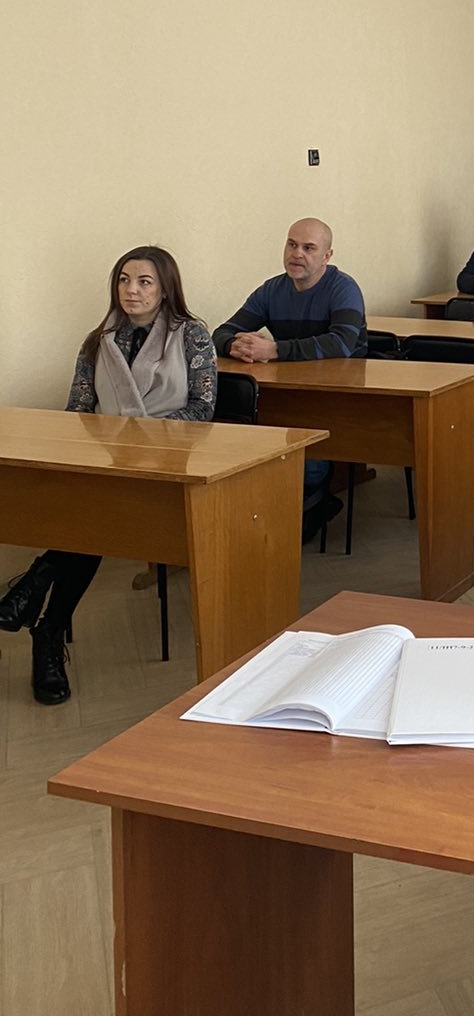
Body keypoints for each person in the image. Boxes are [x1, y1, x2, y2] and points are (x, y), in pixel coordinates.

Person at [0, 247, 216, 706]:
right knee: (94, 516)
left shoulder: (192, 335)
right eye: (123, 279)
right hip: (107, 466)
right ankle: (48, 630)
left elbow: (202, 410)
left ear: (165, 289)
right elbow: (78, 411)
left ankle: (36, 586)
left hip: (171, 467)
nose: (131, 290)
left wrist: (134, 437)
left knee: (93, 519)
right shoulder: (98, 341)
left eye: (144, 281)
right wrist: (105, 448)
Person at [212, 218, 366, 539]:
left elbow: (341, 342)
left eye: (309, 248)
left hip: (339, 394)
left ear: (327, 256)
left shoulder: (343, 288)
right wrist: (235, 345)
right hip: (289, 392)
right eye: (292, 244)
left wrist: (275, 349)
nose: (297, 254)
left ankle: (308, 506)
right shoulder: (272, 289)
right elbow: (223, 331)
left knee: (309, 459)